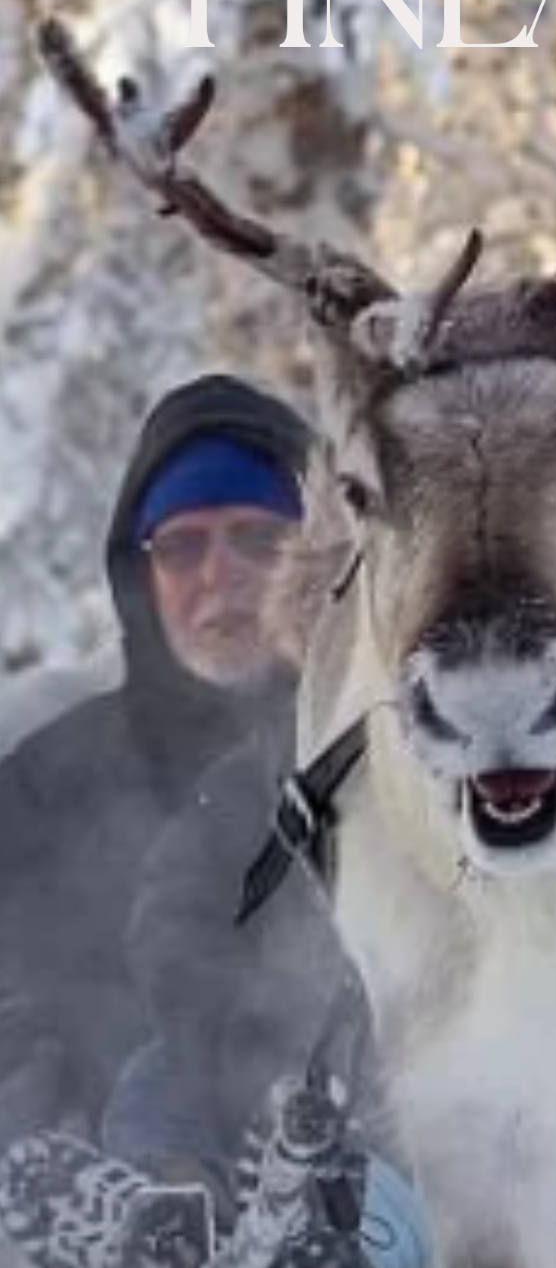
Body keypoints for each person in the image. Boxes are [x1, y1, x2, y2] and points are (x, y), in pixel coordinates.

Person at [0, 372, 311, 1150]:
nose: (220, 574)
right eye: (182, 546)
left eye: (259, 538)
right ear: (141, 574)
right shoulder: (42, 787)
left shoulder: (416, 765)